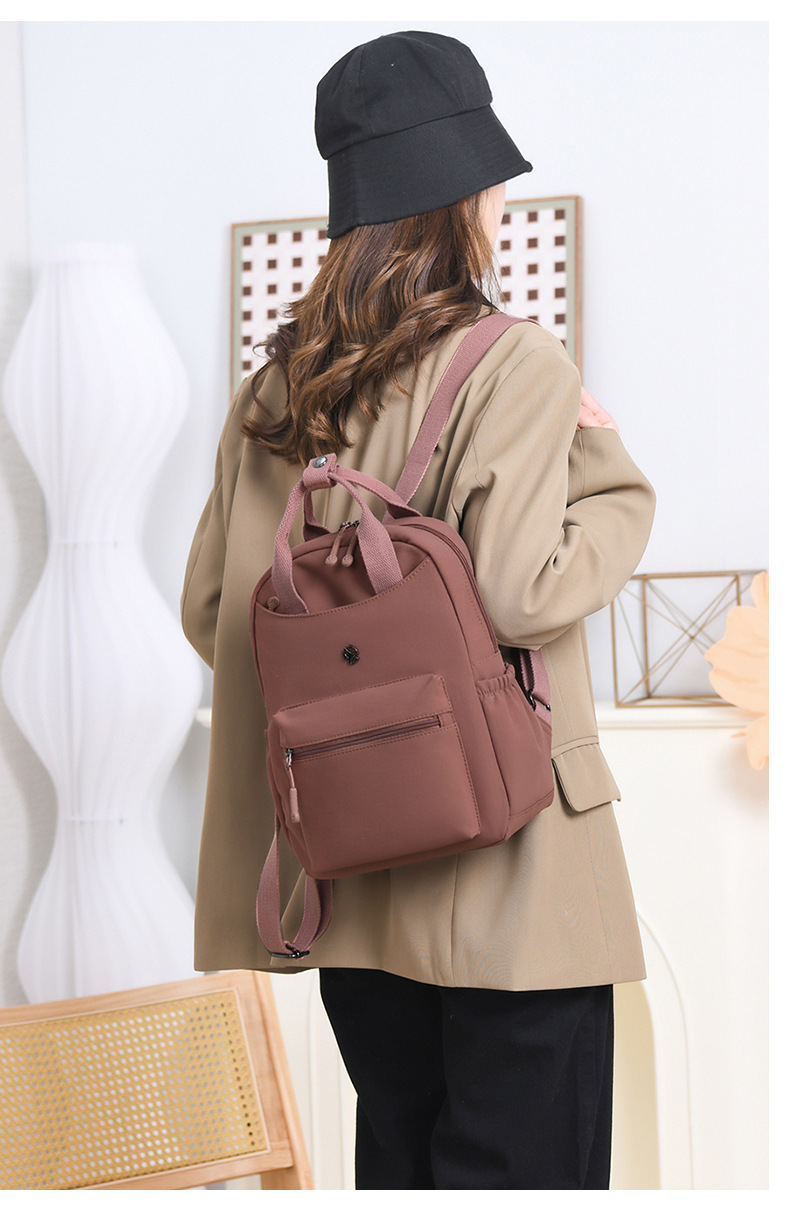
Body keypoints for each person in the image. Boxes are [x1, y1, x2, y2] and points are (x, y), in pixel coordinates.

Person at [181, 30, 655, 1191]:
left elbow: (214, 610)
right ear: (465, 199)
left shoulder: (276, 389)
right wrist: (607, 480)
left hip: (352, 885)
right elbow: (519, 591)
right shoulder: (512, 363)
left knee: (400, 1165)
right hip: (511, 879)